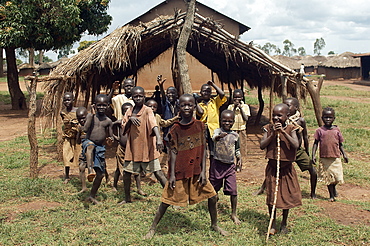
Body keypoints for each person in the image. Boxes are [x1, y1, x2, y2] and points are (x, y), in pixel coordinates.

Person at [144, 94, 228, 239]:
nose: (187, 107)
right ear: (179, 108)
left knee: (212, 197)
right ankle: (152, 228)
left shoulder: (201, 126)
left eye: (190, 105)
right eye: (183, 105)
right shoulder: (175, 130)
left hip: (196, 170)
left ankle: (214, 224)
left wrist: (203, 171)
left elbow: (203, 149)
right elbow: (173, 153)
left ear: (195, 106)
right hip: (180, 171)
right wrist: (171, 175)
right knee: (166, 202)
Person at [120, 86, 167, 204]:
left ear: (144, 97)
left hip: (147, 148)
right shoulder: (129, 111)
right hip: (133, 149)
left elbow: (153, 124)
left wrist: (159, 138)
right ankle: (127, 198)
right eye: (135, 96)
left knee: (158, 173)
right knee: (126, 173)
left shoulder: (147, 110)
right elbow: (123, 129)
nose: (138, 98)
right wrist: (130, 120)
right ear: (132, 98)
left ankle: (171, 199)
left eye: (140, 96)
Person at [260, 103, 301, 235]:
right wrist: (273, 134)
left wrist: (283, 132)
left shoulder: (292, 129)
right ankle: (272, 222)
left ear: (287, 116)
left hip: (286, 169)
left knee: (286, 197)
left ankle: (284, 222)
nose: (276, 118)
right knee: (272, 196)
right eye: (274, 115)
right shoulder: (268, 128)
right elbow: (262, 145)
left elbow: (296, 145)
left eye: (279, 116)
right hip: (273, 168)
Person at [211, 110, 241, 224]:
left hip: (229, 166)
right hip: (217, 164)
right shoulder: (217, 131)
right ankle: (214, 206)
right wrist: (219, 136)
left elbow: (237, 149)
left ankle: (234, 213)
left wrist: (239, 158)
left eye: (230, 121)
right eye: (224, 121)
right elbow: (214, 138)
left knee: (233, 190)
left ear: (233, 122)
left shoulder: (235, 135)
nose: (227, 123)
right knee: (214, 188)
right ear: (220, 121)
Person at [312, 107, 348, 202]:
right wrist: (313, 155)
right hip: (324, 158)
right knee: (328, 178)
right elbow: (315, 143)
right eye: (325, 117)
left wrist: (344, 154)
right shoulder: (319, 130)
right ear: (322, 118)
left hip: (335, 157)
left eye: (330, 117)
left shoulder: (336, 130)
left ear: (334, 118)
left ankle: (334, 189)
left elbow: (340, 144)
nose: (328, 119)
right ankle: (331, 195)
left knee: (337, 177)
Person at [82, 94, 114, 204]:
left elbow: (110, 137)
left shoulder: (108, 121)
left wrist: (110, 140)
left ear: (108, 106)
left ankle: (92, 195)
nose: (101, 108)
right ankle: (90, 170)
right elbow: (85, 129)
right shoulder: (91, 117)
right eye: (98, 105)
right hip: (88, 142)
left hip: (100, 147)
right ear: (94, 106)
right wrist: (91, 115)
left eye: (104, 105)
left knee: (100, 174)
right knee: (90, 146)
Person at [112, 103, 145, 195]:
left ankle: (139, 188)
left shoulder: (135, 122)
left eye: (129, 110)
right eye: (125, 110)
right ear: (123, 112)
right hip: (121, 148)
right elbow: (111, 126)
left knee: (136, 169)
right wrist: (115, 137)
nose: (127, 112)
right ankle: (114, 185)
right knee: (119, 168)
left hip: (132, 148)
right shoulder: (120, 122)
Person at [196, 81, 227, 161]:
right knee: (202, 150)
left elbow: (222, 94)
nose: (206, 93)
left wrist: (213, 85)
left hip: (214, 130)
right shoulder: (199, 105)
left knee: (214, 151)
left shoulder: (215, 102)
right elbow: (200, 113)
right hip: (203, 129)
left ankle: (213, 168)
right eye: (204, 91)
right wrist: (195, 102)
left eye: (208, 91)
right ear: (200, 92)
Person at [227, 89, 250, 172]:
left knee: (241, 148)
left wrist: (240, 109)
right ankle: (231, 164)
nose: (237, 99)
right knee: (232, 148)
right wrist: (234, 108)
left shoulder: (245, 107)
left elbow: (246, 118)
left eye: (239, 97)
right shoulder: (230, 107)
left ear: (242, 98)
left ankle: (239, 164)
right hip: (232, 130)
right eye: (235, 98)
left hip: (241, 130)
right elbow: (229, 117)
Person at [60, 92, 79, 184]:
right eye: (65, 100)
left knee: (79, 155)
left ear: (73, 100)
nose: (67, 102)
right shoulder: (63, 112)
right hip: (68, 137)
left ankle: (82, 174)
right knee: (66, 156)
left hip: (77, 137)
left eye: (69, 100)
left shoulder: (77, 111)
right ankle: (67, 176)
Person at [75, 107, 88, 193]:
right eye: (79, 119)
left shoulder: (92, 126)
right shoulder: (80, 128)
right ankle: (84, 187)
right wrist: (79, 132)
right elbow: (78, 141)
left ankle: (107, 179)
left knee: (101, 167)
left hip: (93, 150)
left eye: (84, 118)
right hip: (84, 151)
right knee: (81, 167)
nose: (82, 120)